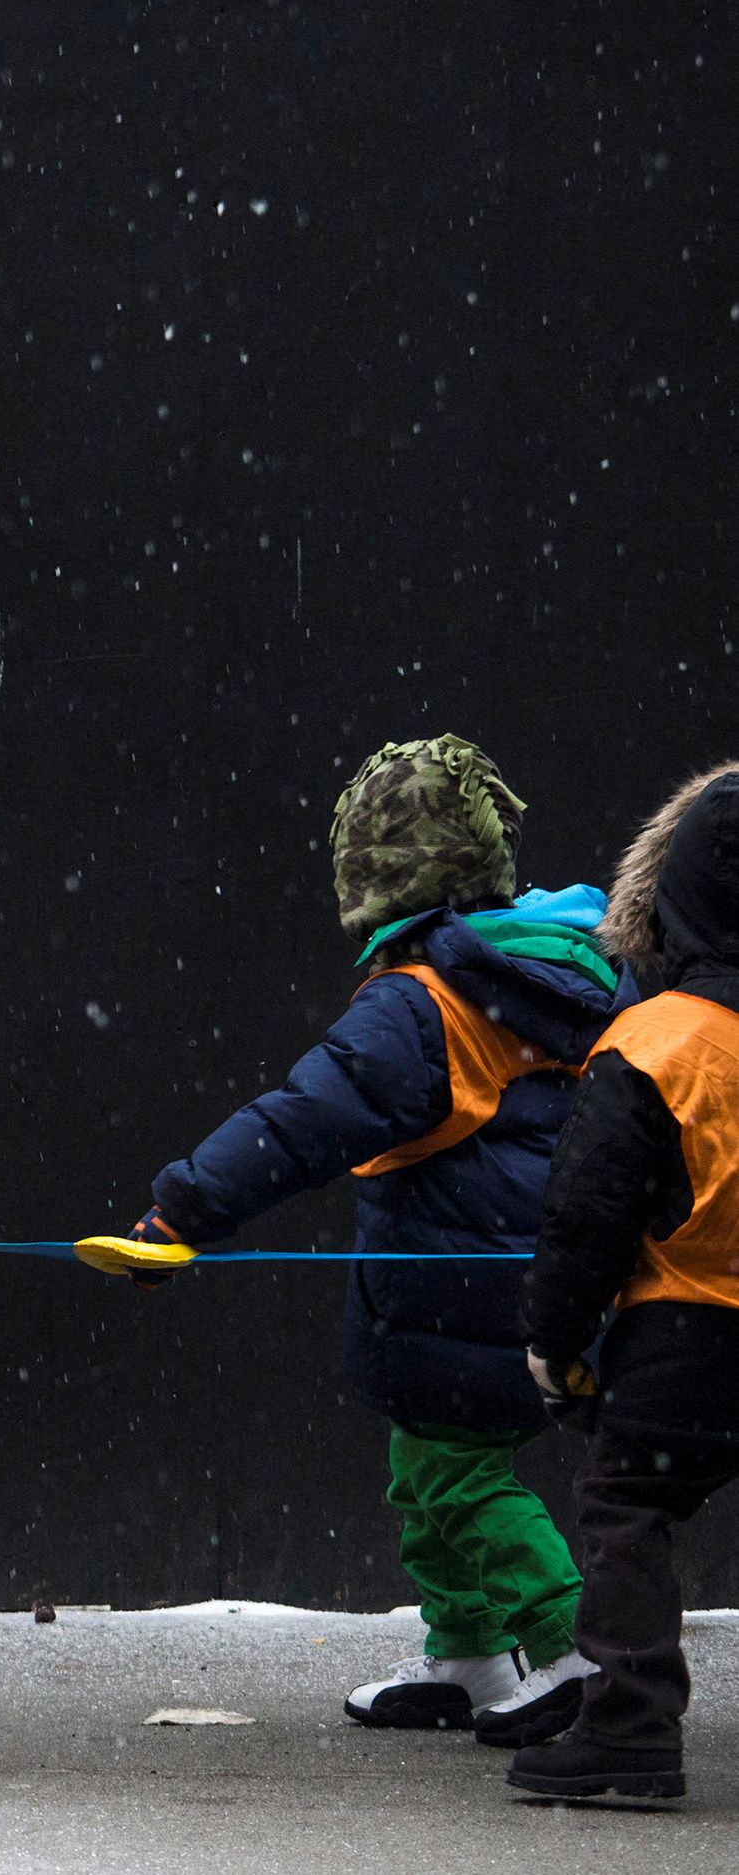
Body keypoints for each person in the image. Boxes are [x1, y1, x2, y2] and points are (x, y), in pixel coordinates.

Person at [121, 737, 611, 1743]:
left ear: (373, 874)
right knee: (423, 1468)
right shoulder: (557, 970)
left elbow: (301, 1120)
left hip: (460, 1300)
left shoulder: (419, 1000)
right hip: (534, 1286)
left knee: (457, 1478)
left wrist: (185, 1209)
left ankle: (570, 1655)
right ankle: (465, 1653)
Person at [511, 761, 739, 1803]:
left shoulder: (654, 1043)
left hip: (683, 1332)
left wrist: (552, 1342)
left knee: (625, 1506)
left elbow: (584, 1216)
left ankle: (632, 1728)